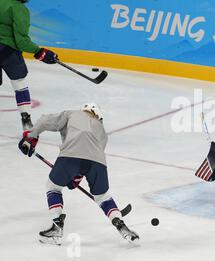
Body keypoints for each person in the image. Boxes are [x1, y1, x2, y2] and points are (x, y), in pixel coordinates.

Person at [18, 103, 139, 245]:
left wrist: (30, 137)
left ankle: (57, 227)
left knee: (53, 187)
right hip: (98, 163)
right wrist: (77, 176)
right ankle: (120, 224)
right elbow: (89, 156)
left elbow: (44, 121)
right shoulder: (102, 131)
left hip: (70, 156)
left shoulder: (72, 114)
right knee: (103, 196)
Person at [0, 0, 58, 130]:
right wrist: (41, 52)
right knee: (20, 83)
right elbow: (22, 41)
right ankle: (26, 120)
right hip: (7, 51)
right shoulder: (20, 10)